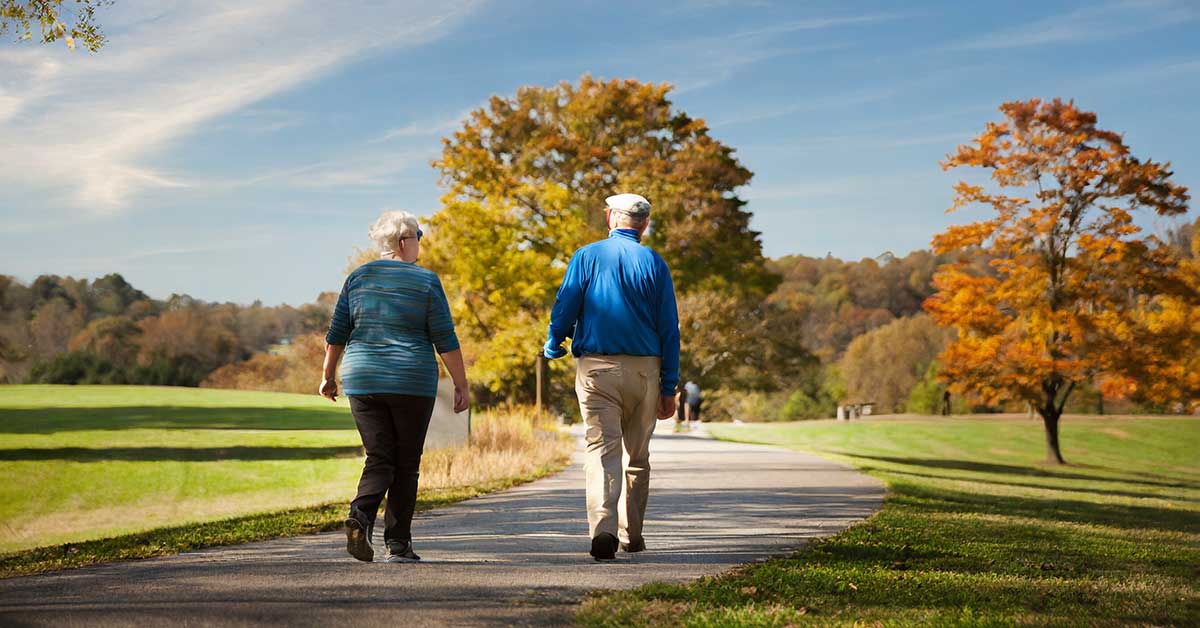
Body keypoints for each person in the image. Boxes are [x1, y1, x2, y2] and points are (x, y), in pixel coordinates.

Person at [320, 210, 470, 564]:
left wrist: (328, 375)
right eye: (419, 235)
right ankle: (399, 545)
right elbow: (444, 338)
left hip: (363, 378)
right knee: (406, 463)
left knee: (379, 456)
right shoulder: (426, 281)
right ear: (405, 242)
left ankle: (360, 516)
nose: (421, 242)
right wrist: (461, 383)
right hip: (411, 380)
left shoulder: (357, 278)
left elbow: (337, 333)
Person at [544, 192, 680, 561]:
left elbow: (565, 304)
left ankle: (602, 528)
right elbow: (669, 328)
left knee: (602, 449)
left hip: (597, 368)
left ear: (610, 219)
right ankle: (631, 534)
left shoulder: (586, 256)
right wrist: (670, 385)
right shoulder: (655, 262)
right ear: (644, 224)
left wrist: (554, 340)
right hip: (645, 371)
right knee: (637, 456)